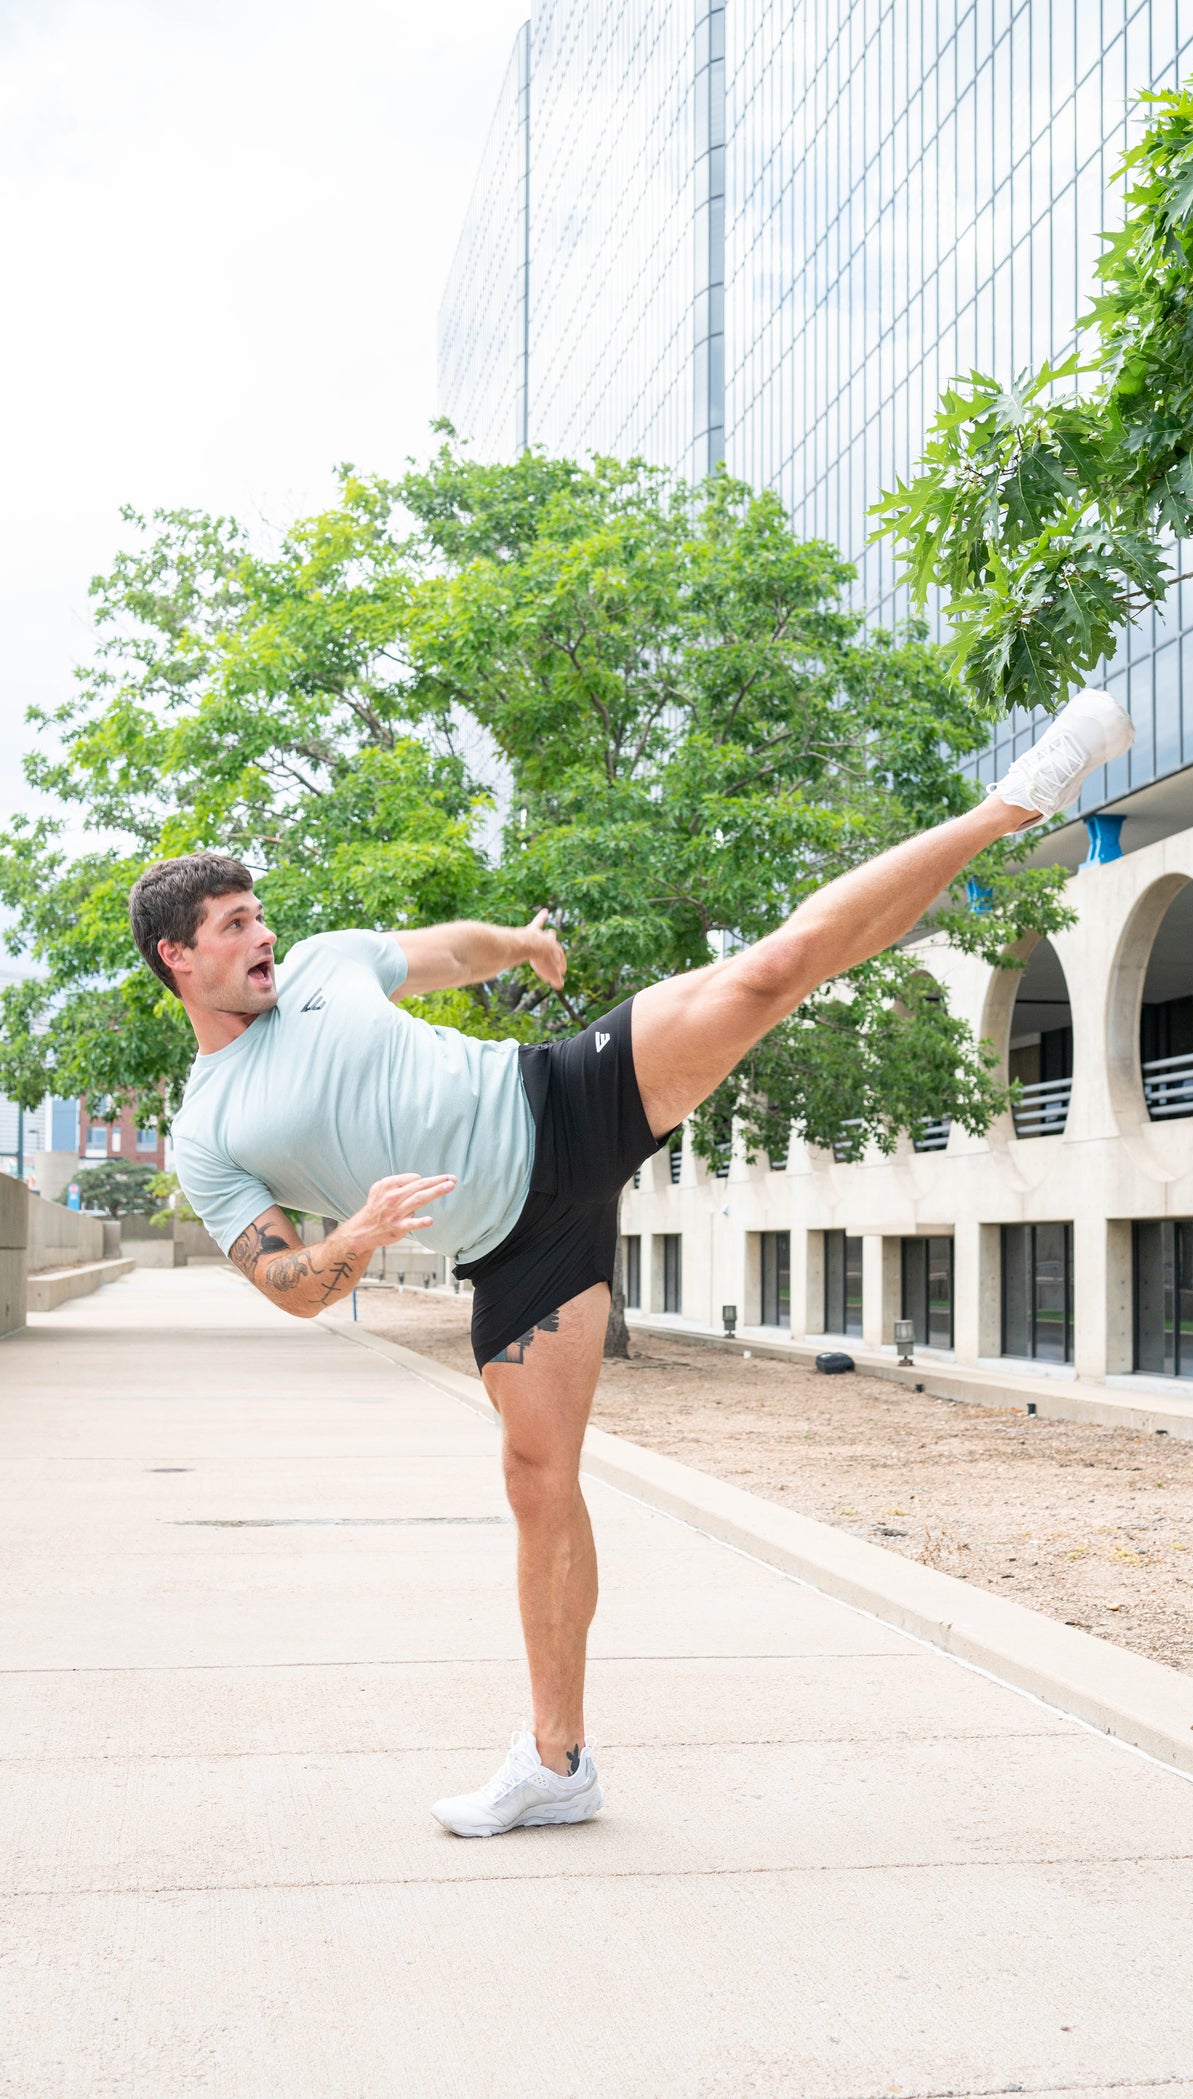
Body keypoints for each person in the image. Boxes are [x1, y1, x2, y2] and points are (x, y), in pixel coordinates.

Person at [131, 687, 1132, 1837]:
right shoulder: (206, 1129)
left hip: (562, 1096)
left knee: (773, 969)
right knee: (534, 1481)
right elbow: (280, 1281)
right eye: (232, 926)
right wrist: (348, 1242)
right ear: (178, 958)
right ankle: (557, 1763)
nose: (260, 934)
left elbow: (439, 953)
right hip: (514, 1251)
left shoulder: (320, 962)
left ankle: (1012, 799)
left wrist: (516, 942)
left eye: (258, 912)